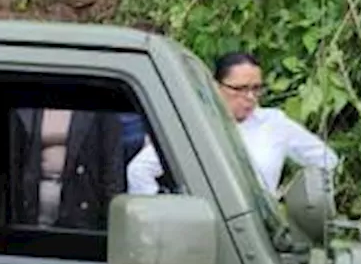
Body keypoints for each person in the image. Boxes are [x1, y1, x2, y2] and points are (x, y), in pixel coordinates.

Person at [127, 51, 339, 196]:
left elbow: (326, 160)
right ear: (216, 88)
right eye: (240, 89)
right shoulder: (194, 123)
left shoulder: (274, 123)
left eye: (256, 89)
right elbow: (139, 171)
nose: (250, 97)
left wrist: (289, 196)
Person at [10, 108, 125, 233]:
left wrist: (113, 223)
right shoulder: (26, 106)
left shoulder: (101, 111)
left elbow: (112, 165)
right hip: (33, 205)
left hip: (82, 203)